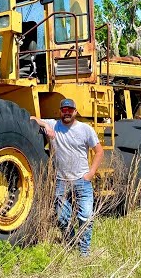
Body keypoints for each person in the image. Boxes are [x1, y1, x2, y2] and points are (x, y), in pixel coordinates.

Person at [30, 98, 104, 256]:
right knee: (63, 219)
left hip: (82, 181)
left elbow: (99, 151)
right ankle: (71, 243)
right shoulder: (53, 124)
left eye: (70, 110)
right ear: (60, 112)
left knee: (85, 217)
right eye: (64, 110)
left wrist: (90, 174)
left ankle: (84, 252)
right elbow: (31, 118)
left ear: (75, 112)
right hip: (61, 182)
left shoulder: (85, 129)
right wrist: (44, 125)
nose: (67, 113)